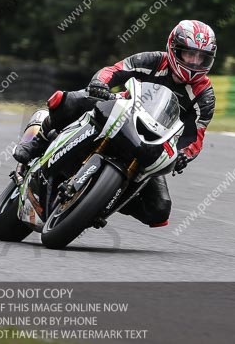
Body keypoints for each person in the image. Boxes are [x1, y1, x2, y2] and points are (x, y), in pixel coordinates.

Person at [13, 20, 217, 227]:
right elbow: (115, 70)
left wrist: (184, 154)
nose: (194, 62)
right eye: (189, 54)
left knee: (159, 210)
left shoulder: (204, 95)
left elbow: (196, 136)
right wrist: (100, 83)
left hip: (152, 143)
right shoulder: (153, 60)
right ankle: (38, 139)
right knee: (72, 99)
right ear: (174, 49)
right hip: (122, 112)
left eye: (202, 58)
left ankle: (102, 203)